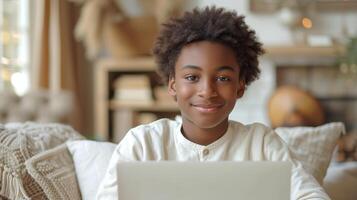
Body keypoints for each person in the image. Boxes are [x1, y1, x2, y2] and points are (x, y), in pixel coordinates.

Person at [96, 6, 330, 200]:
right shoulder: (142, 144)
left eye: (223, 78)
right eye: (191, 77)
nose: (207, 91)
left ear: (240, 86)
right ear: (172, 85)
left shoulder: (262, 144)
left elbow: (312, 196)